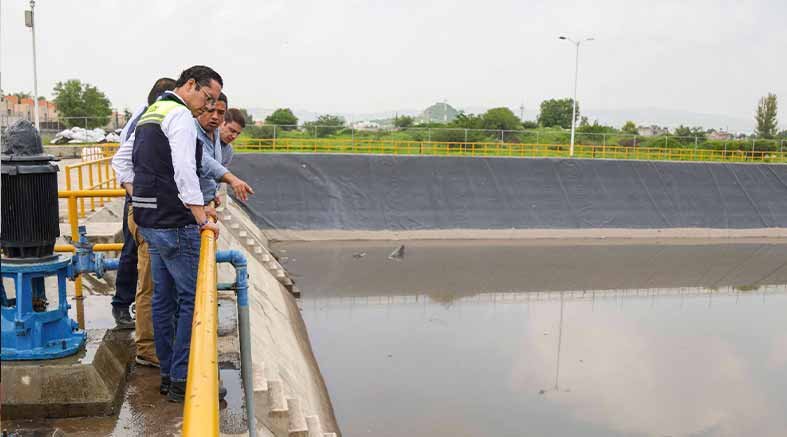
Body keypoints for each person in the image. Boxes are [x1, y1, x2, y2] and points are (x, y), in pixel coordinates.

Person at [130, 65, 222, 402]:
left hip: (149, 221)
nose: (208, 108)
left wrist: (140, 193)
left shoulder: (150, 112)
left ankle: (169, 374)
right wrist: (201, 217)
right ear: (191, 85)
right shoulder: (180, 116)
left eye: (214, 104)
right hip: (175, 222)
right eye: (207, 98)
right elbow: (184, 169)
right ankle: (184, 379)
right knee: (191, 301)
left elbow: (124, 162)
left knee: (163, 299)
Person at [111, 77, 176, 335]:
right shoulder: (144, 118)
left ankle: (144, 308)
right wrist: (136, 195)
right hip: (139, 194)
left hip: (152, 194)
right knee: (132, 250)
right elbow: (124, 161)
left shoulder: (156, 116)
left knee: (149, 260)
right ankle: (121, 305)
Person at [195, 94, 253, 205]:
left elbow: (215, 178)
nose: (234, 136)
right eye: (231, 130)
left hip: (204, 203)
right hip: (189, 204)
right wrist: (233, 179)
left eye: (221, 113)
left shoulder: (224, 146)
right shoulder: (191, 130)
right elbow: (203, 160)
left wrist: (212, 195)